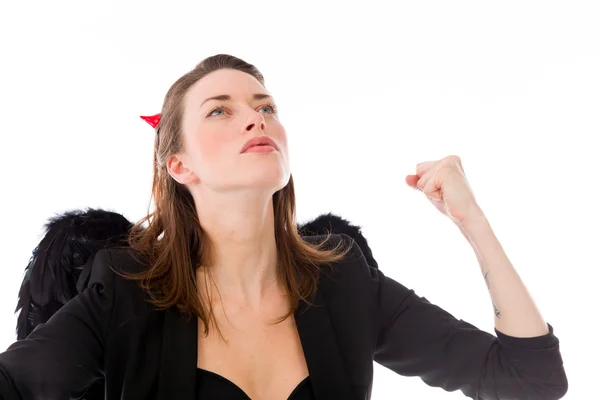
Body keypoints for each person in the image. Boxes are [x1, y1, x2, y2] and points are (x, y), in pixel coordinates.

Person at [0, 54, 568, 400]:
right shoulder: (123, 291)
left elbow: (530, 379)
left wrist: (473, 221)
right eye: (220, 110)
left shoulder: (346, 284)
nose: (257, 117)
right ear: (179, 165)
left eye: (265, 106)